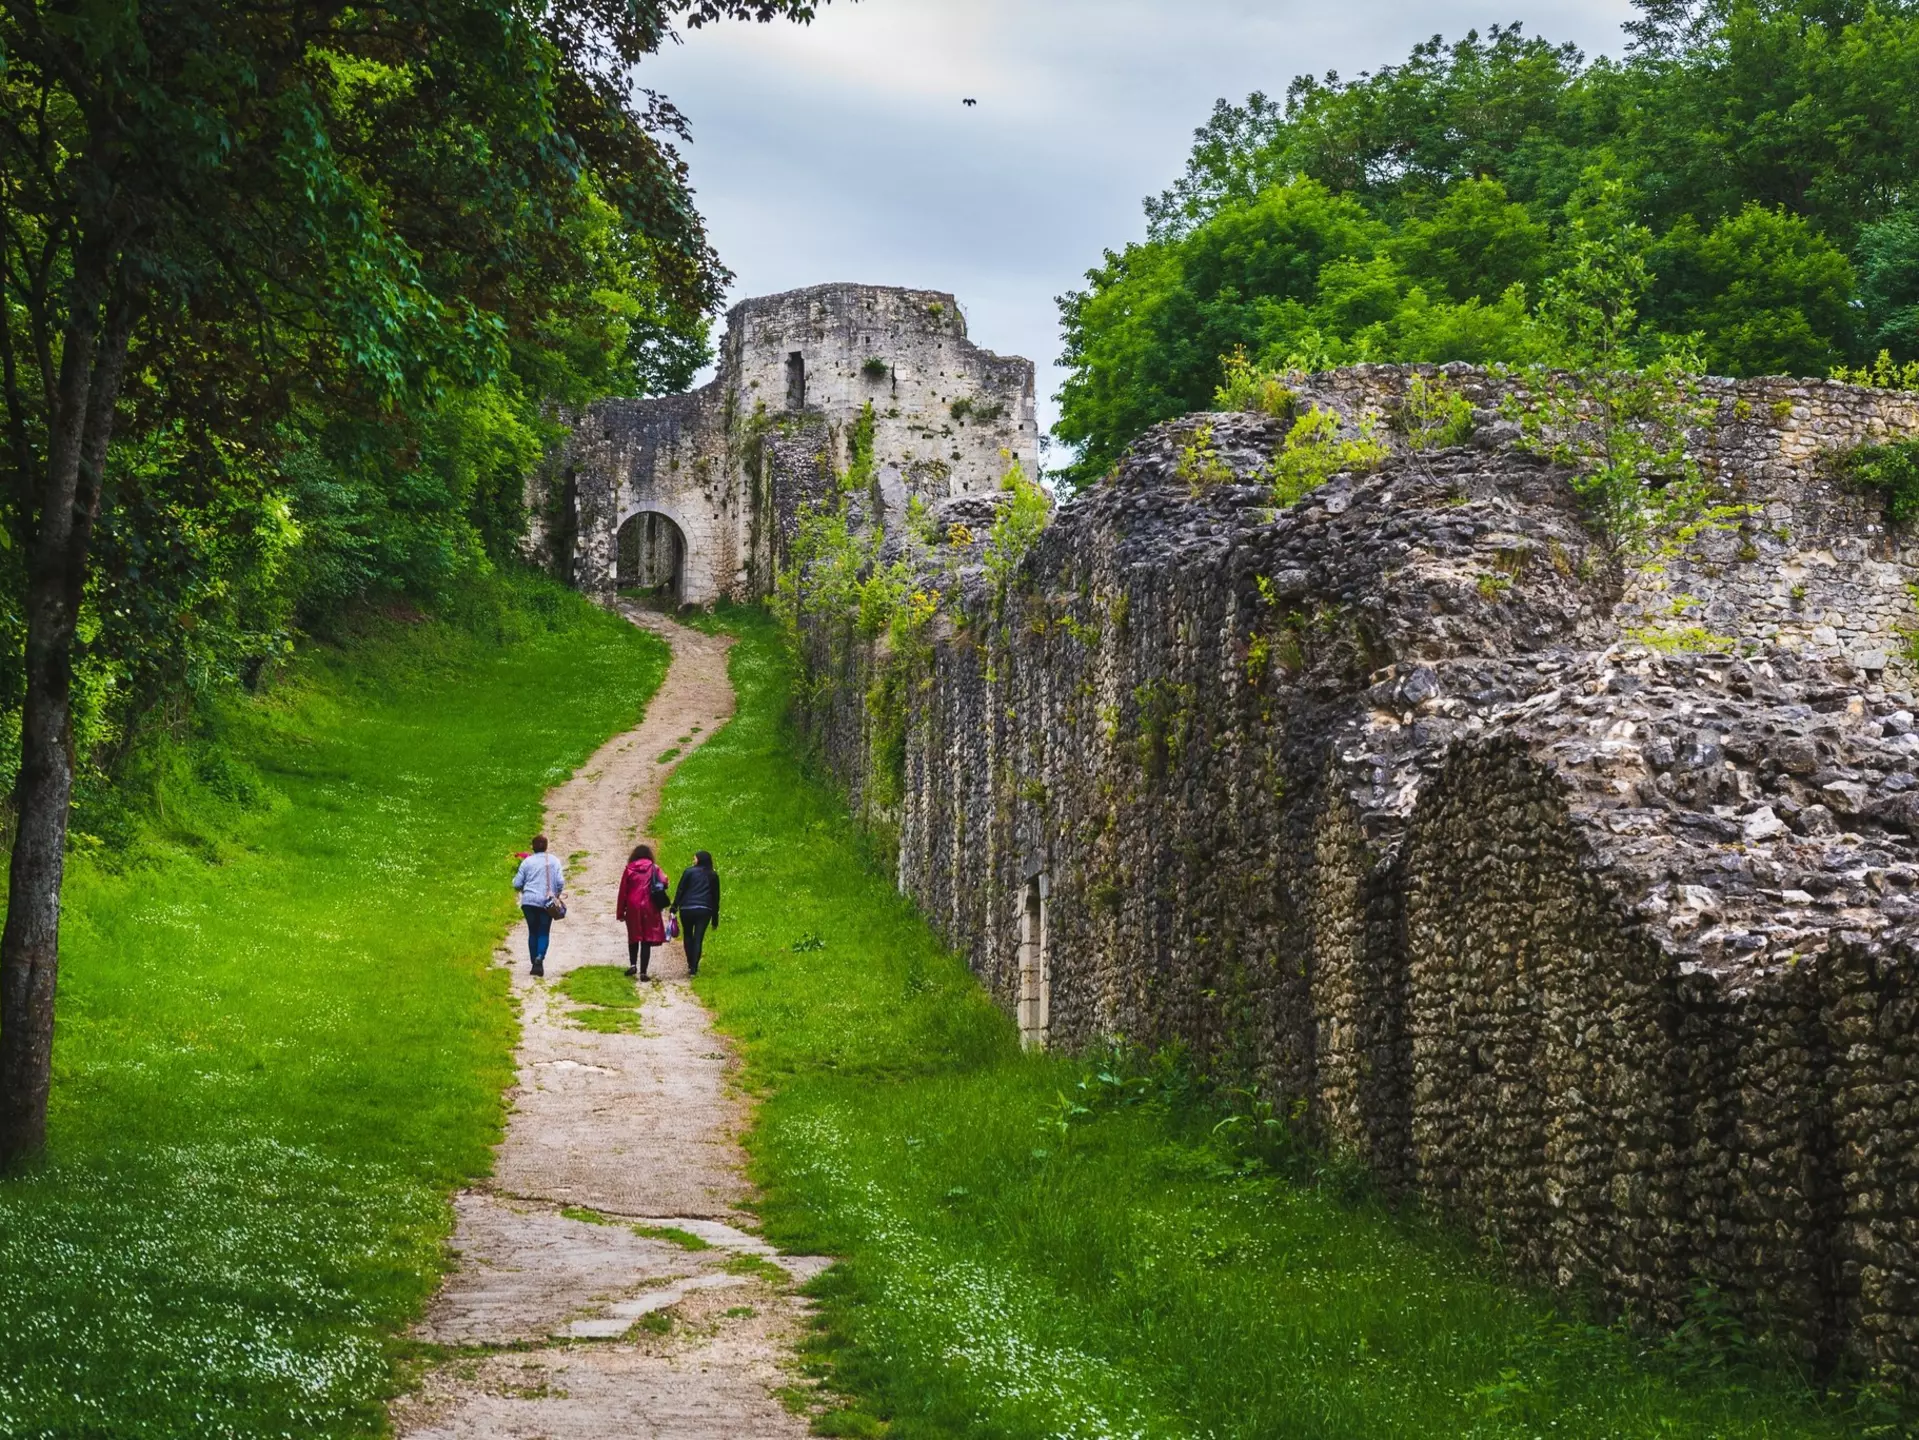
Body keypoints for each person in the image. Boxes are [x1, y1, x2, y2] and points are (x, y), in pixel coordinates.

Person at [511, 835, 565, 977]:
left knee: (532, 931)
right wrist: (556, 894)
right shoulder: (554, 861)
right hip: (546, 902)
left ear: (533, 847)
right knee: (543, 931)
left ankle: (533, 960)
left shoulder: (527, 862)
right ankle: (539, 958)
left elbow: (517, 884)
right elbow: (560, 882)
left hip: (528, 902)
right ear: (546, 846)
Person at [615, 843, 669, 980]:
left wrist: (620, 912)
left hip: (633, 906)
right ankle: (643, 972)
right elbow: (664, 882)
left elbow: (623, 893)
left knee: (633, 936)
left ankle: (633, 964)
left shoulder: (629, 870)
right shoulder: (654, 868)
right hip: (649, 905)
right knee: (646, 939)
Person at [671, 850, 721, 977]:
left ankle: (689, 963)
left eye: (695, 859)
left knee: (688, 935)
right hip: (704, 909)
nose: (693, 861)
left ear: (699, 860)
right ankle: (694, 967)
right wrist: (715, 919)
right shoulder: (713, 875)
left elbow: (680, 889)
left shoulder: (689, 872)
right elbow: (716, 898)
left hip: (687, 908)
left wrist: (674, 906)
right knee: (698, 938)